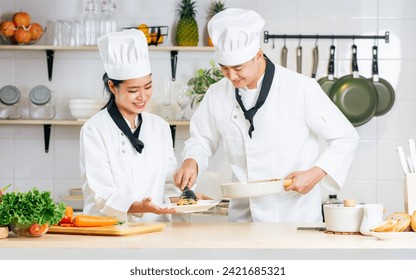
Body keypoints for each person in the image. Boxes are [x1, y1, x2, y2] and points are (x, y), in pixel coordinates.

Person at [174, 8, 360, 223]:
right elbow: (202, 139)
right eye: (224, 69)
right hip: (243, 217)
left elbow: (346, 137)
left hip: (295, 216)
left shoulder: (300, 88)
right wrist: (191, 161)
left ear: (258, 55)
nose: (231, 76)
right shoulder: (217, 93)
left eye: (238, 68)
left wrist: (316, 173)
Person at [80, 29, 180, 223]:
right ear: (112, 87)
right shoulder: (94, 130)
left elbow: (168, 184)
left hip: (156, 233)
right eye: (133, 90)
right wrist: (138, 207)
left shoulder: (160, 127)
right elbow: (101, 194)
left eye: (148, 86)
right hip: (110, 233)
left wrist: (185, 199)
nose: (143, 96)